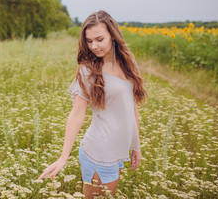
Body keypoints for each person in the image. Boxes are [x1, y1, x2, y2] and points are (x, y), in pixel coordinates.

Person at [37, 10, 147, 198]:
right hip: (99, 153)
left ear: (112, 35)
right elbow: (77, 114)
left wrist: (135, 145)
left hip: (117, 152)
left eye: (99, 39)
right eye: (89, 41)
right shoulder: (88, 70)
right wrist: (63, 157)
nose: (94, 46)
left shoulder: (128, 63)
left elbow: (132, 106)